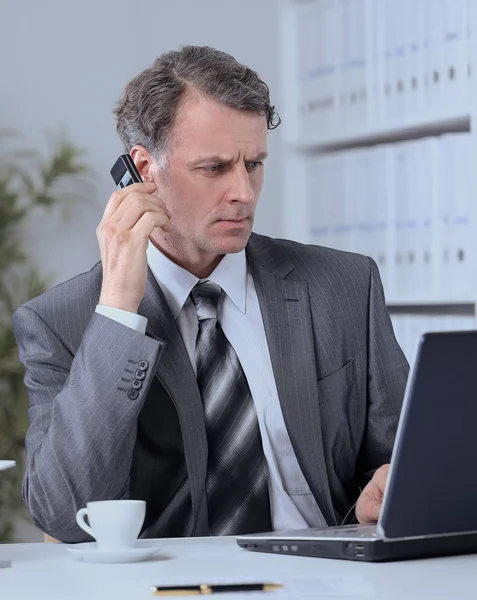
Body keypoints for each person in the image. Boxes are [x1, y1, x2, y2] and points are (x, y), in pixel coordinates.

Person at [12, 45, 408, 543]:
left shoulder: (343, 286)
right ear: (143, 171)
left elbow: (405, 461)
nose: (243, 191)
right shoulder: (60, 321)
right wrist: (117, 310)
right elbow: (67, 516)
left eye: (255, 164)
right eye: (215, 168)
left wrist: (389, 489)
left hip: (326, 576)